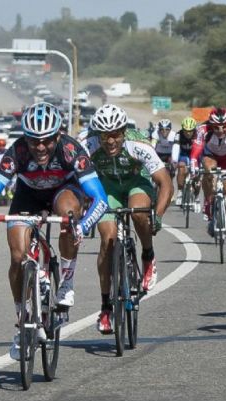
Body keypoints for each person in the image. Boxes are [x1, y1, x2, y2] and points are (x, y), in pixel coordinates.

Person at [0, 102, 108, 360]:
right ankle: (23, 322)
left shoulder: (71, 150)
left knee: (68, 215)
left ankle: (66, 282)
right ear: (25, 138)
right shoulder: (18, 152)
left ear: (57, 136)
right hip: (28, 196)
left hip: (64, 193)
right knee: (17, 256)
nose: (40, 147)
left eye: (46, 141)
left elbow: (99, 198)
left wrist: (82, 226)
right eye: (33, 141)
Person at [84, 104, 172, 334]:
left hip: (135, 183)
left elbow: (165, 183)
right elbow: (76, 179)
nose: (110, 141)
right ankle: (105, 308)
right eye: (105, 135)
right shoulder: (89, 145)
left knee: (139, 211)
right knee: (107, 240)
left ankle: (148, 256)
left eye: (115, 135)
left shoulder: (138, 143)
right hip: (108, 187)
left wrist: (159, 216)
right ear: (97, 135)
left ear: (123, 132)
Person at [190, 107, 226, 254]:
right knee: (209, 171)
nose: (221, 131)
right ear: (211, 124)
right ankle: (209, 202)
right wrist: (193, 164)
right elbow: (196, 149)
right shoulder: (203, 129)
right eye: (216, 127)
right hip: (211, 156)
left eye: (224, 127)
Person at [174, 117, 201, 212]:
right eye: (186, 131)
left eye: (190, 131)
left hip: (196, 155)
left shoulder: (198, 135)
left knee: (197, 175)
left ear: (194, 130)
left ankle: (197, 198)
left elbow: (202, 150)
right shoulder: (178, 134)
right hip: (184, 155)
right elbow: (175, 149)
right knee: (181, 167)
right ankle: (180, 192)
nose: (188, 133)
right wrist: (174, 161)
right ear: (182, 129)